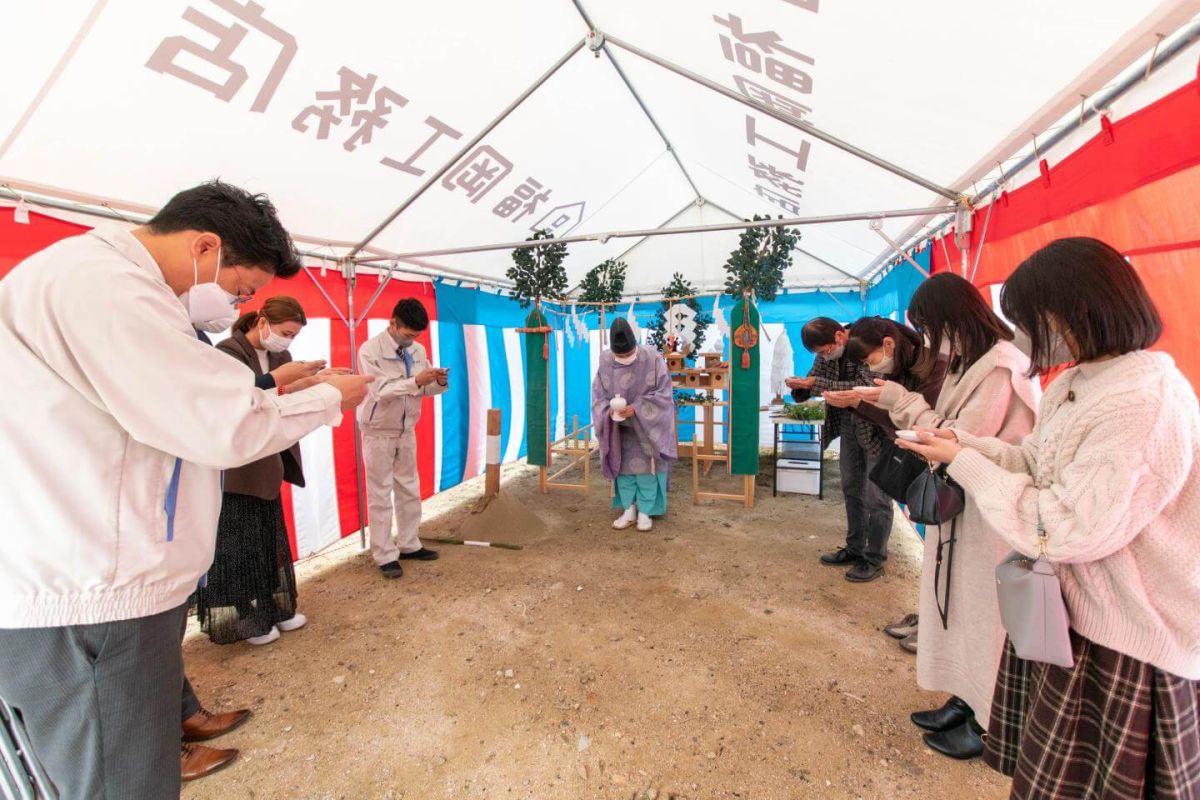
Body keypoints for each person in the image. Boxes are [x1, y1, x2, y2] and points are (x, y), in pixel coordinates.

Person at [0, 181, 373, 799]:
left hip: (102, 580)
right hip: (89, 596)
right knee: (122, 781)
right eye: (240, 290)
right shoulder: (103, 287)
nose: (238, 305)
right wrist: (333, 397)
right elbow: (219, 423)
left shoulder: (98, 280)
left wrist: (284, 393)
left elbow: (189, 404)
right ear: (205, 246)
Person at [900, 237, 1200, 798]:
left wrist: (964, 459)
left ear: (1081, 311)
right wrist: (960, 443)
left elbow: (1065, 529)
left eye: (1034, 320)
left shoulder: (1144, 402)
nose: (1026, 335)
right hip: (1070, 614)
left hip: (1128, 640)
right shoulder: (1075, 383)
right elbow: (1033, 461)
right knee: (1046, 776)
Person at [853, 274, 1039, 759]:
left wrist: (902, 403)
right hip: (962, 500)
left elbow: (960, 436)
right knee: (957, 604)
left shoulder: (1001, 366)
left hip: (988, 505)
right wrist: (901, 405)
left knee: (987, 616)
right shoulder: (967, 362)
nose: (931, 340)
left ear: (956, 318)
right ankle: (964, 695)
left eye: (932, 327)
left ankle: (989, 717)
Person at [198, 297, 345, 646]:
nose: (287, 341)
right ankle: (247, 618)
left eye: (293, 336)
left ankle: (275, 606)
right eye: (285, 332)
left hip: (269, 462)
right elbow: (234, 401)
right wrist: (276, 378)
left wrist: (315, 381)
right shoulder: (226, 352)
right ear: (261, 321)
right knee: (238, 547)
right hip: (238, 467)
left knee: (268, 543)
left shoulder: (282, 356)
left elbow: (284, 397)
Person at [785, 318, 885, 582]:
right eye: (819, 353)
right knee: (851, 487)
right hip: (847, 423)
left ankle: (874, 557)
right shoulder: (825, 354)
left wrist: (814, 384)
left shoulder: (865, 343)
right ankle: (854, 548)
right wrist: (800, 387)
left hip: (876, 426)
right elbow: (814, 379)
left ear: (840, 336)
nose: (824, 355)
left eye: (826, 350)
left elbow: (866, 387)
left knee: (877, 496)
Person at [359, 298, 448, 579]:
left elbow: (423, 390)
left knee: (409, 488)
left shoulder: (418, 349)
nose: (412, 341)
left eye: (416, 336)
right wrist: (417, 382)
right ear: (393, 324)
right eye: (408, 335)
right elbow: (380, 391)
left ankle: (409, 544)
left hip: (407, 430)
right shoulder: (370, 350)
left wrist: (439, 382)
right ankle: (384, 554)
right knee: (380, 494)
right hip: (378, 432)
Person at [592, 318, 677, 531]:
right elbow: (597, 395)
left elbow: (665, 394)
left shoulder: (653, 358)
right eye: (619, 356)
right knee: (623, 470)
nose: (624, 358)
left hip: (648, 428)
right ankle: (628, 509)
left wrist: (637, 408)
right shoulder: (604, 360)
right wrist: (608, 410)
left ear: (635, 345)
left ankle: (646, 512)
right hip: (618, 428)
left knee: (647, 471)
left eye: (628, 354)